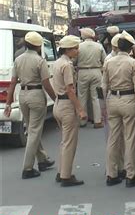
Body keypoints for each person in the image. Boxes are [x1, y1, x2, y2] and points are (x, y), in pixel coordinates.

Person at [3, 31, 56, 179]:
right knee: (34, 131)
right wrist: (56, 99)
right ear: (39, 46)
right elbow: (46, 83)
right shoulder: (39, 60)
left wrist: (8, 103)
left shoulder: (18, 59)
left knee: (33, 128)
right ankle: (27, 168)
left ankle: (43, 159)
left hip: (23, 96)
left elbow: (13, 82)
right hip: (36, 95)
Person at [102, 31, 135, 188]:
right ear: (131, 48)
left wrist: (105, 104)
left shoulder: (108, 62)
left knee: (113, 138)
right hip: (129, 99)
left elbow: (103, 85)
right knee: (130, 138)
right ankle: (130, 174)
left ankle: (111, 174)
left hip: (112, 99)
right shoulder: (133, 63)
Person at [52, 35, 87, 187]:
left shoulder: (57, 62)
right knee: (69, 142)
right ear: (68, 49)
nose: (77, 51)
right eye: (75, 48)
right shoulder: (67, 65)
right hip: (66, 104)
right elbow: (70, 90)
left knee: (64, 141)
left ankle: (61, 172)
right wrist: (80, 109)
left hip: (58, 103)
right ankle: (66, 176)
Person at [77, 27, 106, 128]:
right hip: (96, 71)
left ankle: (82, 120)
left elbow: (74, 61)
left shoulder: (79, 46)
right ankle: (97, 120)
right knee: (95, 97)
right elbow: (104, 60)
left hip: (82, 71)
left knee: (82, 96)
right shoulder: (99, 46)